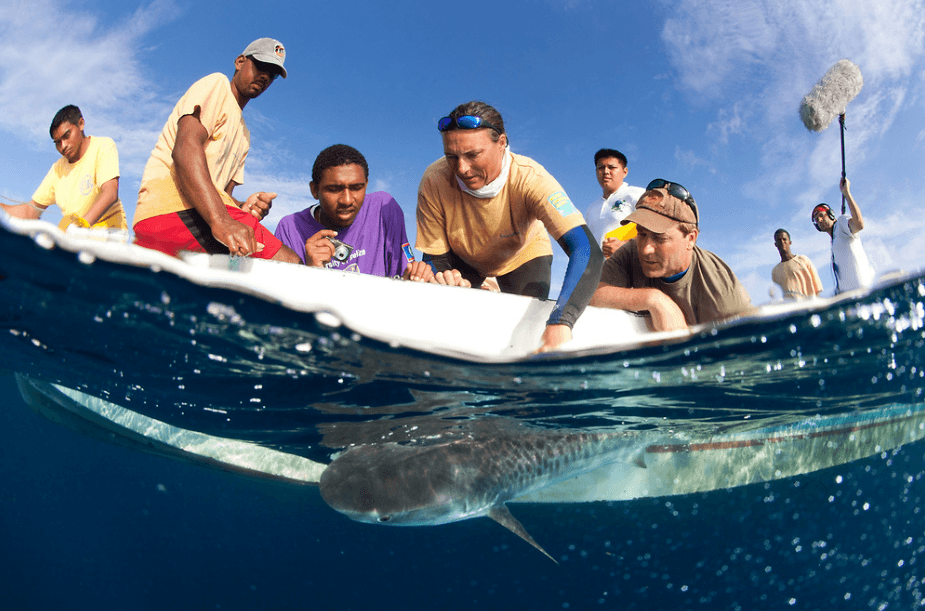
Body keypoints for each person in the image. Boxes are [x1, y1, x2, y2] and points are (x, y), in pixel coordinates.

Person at [413, 101, 603, 352]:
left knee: (524, 335)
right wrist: (444, 277)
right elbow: (435, 259)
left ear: (501, 143)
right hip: (466, 258)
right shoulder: (433, 179)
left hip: (523, 256)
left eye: (472, 155)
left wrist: (561, 322)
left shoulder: (531, 177)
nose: (462, 169)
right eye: (452, 157)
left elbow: (587, 251)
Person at [132, 38, 300, 263]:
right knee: (289, 263)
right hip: (172, 207)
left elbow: (224, 194)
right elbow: (185, 148)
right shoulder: (217, 85)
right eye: (261, 66)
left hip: (199, 213)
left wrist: (243, 206)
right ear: (240, 62)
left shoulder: (244, 135)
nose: (265, 76)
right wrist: (220, 219)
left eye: (272, 74)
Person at [590, 179, 752, 331]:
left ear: (690, 239)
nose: (646, 249)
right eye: (642, 234)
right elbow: (591, 295)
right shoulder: (631, 251)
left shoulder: (721, 290)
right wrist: (653, 299)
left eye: (660, 237)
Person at [275, 144, 412, 277]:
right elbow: (283, 293)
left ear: (366, 184)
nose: (346, 200)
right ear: (314, 190)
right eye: (334, 189)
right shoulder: (290, 228)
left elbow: (402, 277)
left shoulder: (383, 209)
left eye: (356, 187)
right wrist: (311, 273)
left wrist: (414, 277)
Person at [1, 105, 126, 231]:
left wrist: (81, 225)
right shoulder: (57, 169)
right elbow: (30, 211)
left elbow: (110, 192)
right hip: (77, 240)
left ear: (81, 124)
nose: (63, 146)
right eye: (57, 142)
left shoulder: (102, 146)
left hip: (109, 236)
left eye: (67, 136)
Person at [811, 178, 875, 294]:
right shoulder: (834, 241)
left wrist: (847, 193)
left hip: (863, 292)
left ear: (831, 214)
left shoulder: (841, 222)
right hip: (849, 299)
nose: (819, 220)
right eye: (816, 220)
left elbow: (859, 224)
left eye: (821, 215)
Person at [584, 148, 646, 257]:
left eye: (612, 167)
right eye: (601, 168)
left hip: (630, 266)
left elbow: (656, 225)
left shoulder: (637, 194)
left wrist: (625, 245)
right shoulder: (592, 208)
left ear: (625, 172)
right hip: (599, 271)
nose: (606, 171)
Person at [771, 228, 822, 299]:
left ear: (790, 242)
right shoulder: (775, 271)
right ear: (775, 244)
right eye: (779, 240)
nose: (782, 242)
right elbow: (778, 296)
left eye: (784, 239)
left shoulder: (803, 260)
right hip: (792, 308)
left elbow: (817, 285)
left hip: (810, 304)